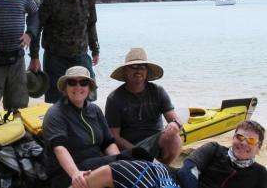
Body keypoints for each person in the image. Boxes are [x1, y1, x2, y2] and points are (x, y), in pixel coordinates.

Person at [74, 120, 266, 188]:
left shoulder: (260, 174)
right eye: (239, 137)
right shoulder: (215, 149)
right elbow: (188, 169)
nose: (243, 143)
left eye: (250, 141)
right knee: (124, 165)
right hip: (173, 181)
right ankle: (81, 179)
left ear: (258, 147)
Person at [43, 66, 142, 188]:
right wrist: (75, 174)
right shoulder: (55, 113)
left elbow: (108, 143)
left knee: (139, 155)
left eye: (83, 83)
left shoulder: (94, 110)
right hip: (66, 173)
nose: (78, 87)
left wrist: (118, 160)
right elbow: (59, 148)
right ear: (65, 87)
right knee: (123, 166)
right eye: (72, 82)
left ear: (89, 88)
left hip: (94, 163)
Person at [29, 0, 100, 103]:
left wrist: (95, 49)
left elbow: (91, 24)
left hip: (81, 56)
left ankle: (82, 125)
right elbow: (37, 27)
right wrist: (34, 57)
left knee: (87, 98)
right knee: (55, 101)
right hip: (55, 58)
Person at [105, 47, 182, 164]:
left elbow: (175, 119)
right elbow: (114, 136)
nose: (138, 70)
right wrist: (137, 151)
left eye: (142, 67)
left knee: (175, 138)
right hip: (129, 147)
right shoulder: (114, 98)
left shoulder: (158, 91)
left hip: (156, 142)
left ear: (147, 71)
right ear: (126, 71)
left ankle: (164, 168)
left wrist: (175, 124)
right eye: (134, 67)